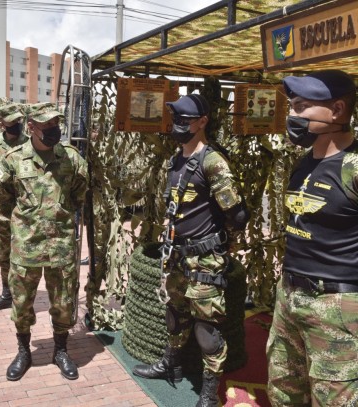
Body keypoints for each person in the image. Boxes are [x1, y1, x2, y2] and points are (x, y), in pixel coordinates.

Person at [131, 94, 248, 407]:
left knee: (207, 328)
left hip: (205, 259)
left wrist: (220, 245)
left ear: (203, 121)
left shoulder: (213, 162)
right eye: (176, 119)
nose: (179, 125)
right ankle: (172, 364)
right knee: (175, 315)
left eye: (186, 120)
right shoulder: (176, 160)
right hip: (178, 256)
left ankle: (209, 394)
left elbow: (236, 214)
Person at [266, 70, 358, 406]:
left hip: (337, 308)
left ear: (336, 110)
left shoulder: (354, 167)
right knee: (284, 392)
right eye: (291, 107)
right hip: (290, 297)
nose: (293, 116)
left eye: (303, 107)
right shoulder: (305, 163)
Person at [0, 102, 88, 381]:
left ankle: (60, 350)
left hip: (61, 244)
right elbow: (2, 202)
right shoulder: (12, 160)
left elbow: (79, 195)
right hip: (26, 245)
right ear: (31, 127)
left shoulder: (71, 158)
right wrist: (18, 234)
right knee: (21, 303)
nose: (53, 130)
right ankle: (24, 351)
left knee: (63, 301)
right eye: (46, 126)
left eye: (55, 124)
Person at [0, 103, 29, 312]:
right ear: (1, 123)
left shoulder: (29, 144)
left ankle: (23, 293)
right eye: (12, 121)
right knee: (3, 254)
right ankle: (7, 293)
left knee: (24, 253)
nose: (16, 125)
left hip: (23, 211)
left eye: (18, 121)